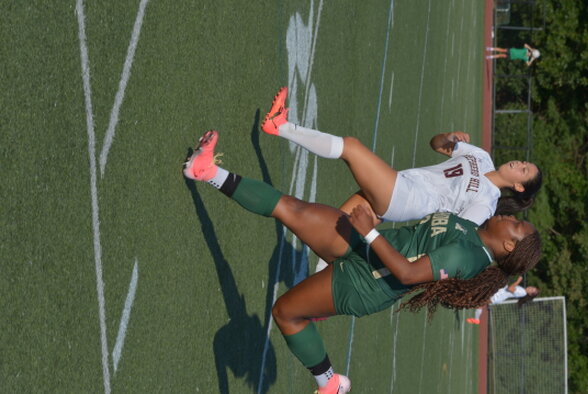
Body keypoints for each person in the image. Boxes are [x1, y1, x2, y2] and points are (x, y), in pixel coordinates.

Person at [183, 130, 542, 394]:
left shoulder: (468, 255)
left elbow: (408, 273)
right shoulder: (472, 225)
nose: (508, 216)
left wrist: (370, 232)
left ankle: (329, 383)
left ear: (508, 244)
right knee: (291, 208)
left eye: (514, 224)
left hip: (366, 283)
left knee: (285, 313)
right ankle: (206, 170)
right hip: (365, 246)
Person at [260, 87, 542, 229]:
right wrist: (448, 136)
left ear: (518, 186)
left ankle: (280, 126)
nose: (519, 164)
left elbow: (458, 233)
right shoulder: (481, 157)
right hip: (403, 182)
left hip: (407, 199)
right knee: (332, 230)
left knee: (352, 148)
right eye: (523, 162)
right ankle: (315, 304)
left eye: (524, 170)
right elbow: (435, 144)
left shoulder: (487, 203)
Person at [465, 275, 540, 325]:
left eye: (532, 290)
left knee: (480, 302)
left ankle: (474, 315)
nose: (530, 288)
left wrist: (518, 281)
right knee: (480, 302)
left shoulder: (522, 292)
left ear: (530, 294)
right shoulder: (522, 290)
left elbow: (510, 289)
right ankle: (476, 319)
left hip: (497, 296)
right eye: (532, 287)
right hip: (498, 294)